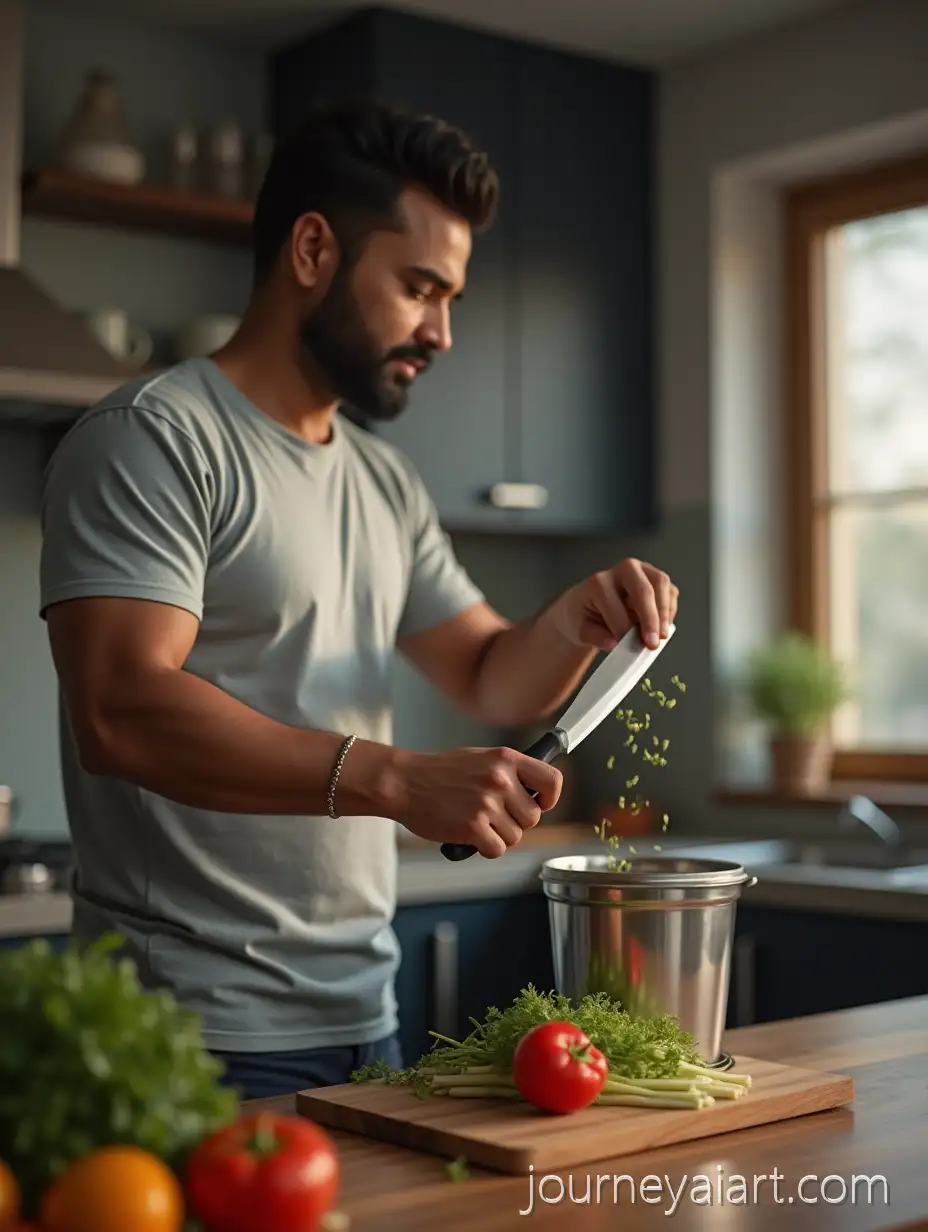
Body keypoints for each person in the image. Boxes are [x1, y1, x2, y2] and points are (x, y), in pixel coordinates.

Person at [38, 99, 679, 1100]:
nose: (443, 330)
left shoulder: (383, 481)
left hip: (365, 1019)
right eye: (419, 286)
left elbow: (483, 668)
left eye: (452, 296)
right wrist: (391, 777)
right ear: (310, 250)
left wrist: (570, 620)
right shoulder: (154, 439)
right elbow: (120, 708)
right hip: (183, 1028)